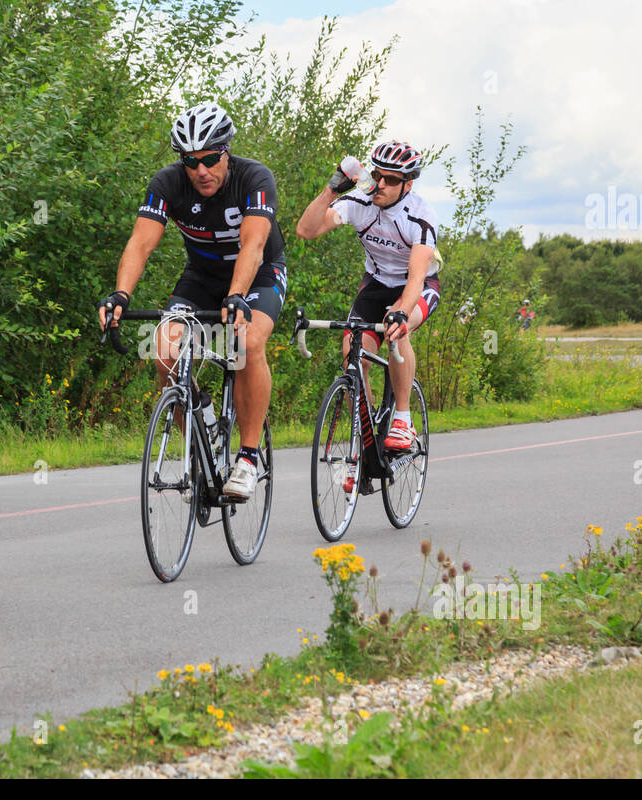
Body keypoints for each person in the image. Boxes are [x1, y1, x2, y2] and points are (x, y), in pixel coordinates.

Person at [98, 102, 286, 501]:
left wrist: (236, 296)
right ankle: (201, 424)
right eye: (190, 161)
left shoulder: (255, 178)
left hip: (258, 273)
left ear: (227, 151)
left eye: (210, 159)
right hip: (202, 277)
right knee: (163, 349)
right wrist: (121, 295)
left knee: (247, 343)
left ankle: (249, 458)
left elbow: (253, 246)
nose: (201, 170)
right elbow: (141, 242)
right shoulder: (168, 184)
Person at [295, 139, 441, 452]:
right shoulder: (359, 202)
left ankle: (403, 419)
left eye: (391, 180)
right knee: (351, 351)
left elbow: (416, 277)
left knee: (396, 326)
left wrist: (402, 310)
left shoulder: (420, 216)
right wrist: (332, 189)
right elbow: (306, 230)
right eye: (377, 175)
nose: (381, 184)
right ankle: (367, 428)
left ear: (408, 185)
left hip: (417, 286)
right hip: (376, 284)